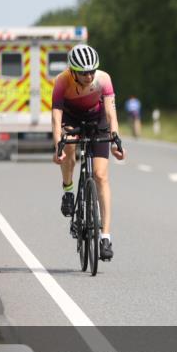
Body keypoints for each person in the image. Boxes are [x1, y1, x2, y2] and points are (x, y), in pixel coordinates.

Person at [51, 44, 125, 261]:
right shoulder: (62, 81)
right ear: (73, 71)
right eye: (84, 72)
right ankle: (68, 189)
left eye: (92, 71)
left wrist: (115, 140)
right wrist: (59, 146)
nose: (89, 75)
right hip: (71, 118)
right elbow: (56, 119)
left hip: (97, 119)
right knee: (70, 144)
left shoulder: (103, 79)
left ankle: (106, 237)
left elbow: (111, 113)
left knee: (101, 175)